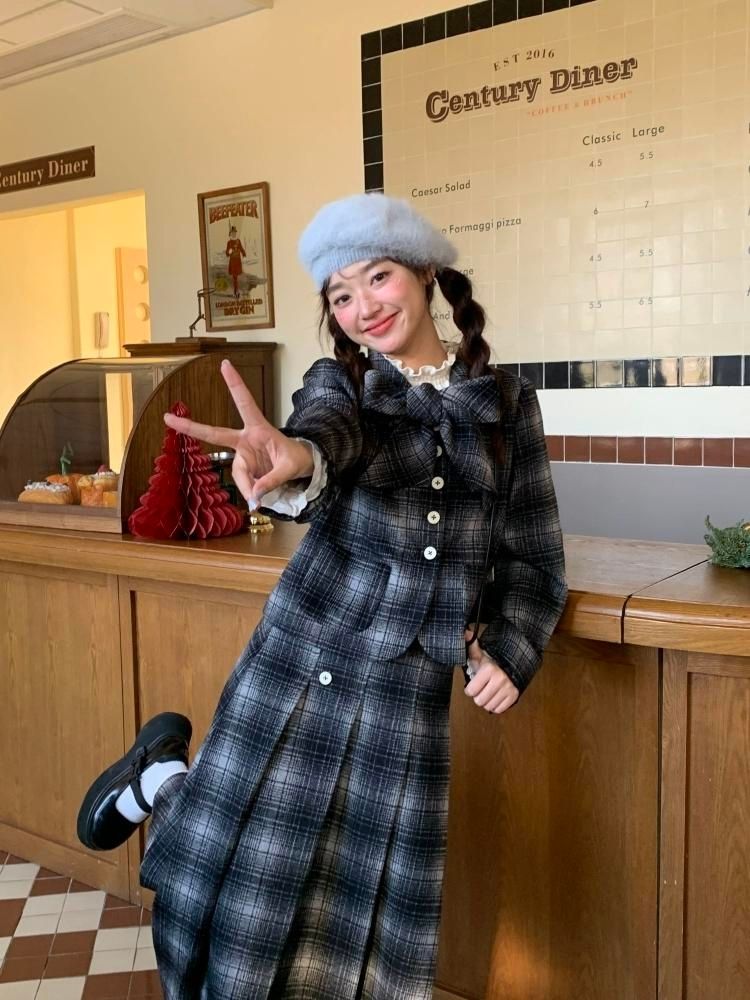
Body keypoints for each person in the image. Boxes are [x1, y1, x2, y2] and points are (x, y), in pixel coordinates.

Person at [76, 193, 568, 999]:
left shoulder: (509, 407)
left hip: (408, 698)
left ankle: (161, 779)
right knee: (236, 888)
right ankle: (162, 784)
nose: (362, 307)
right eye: (341, 296)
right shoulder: (339, 385)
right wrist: (292, 461)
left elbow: (534, 557)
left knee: (356, 923)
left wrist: (511, 647)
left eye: (377, 278)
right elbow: (321, 437)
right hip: (304, 664)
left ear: (425, 273)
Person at [226, 223, 246, 298]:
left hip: (238, 261)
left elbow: (241, 248)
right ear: (230, 233)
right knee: (235, 278)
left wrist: (244, 254)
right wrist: (229, 252)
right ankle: (236, 292)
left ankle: (236, 291)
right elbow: (227, 253)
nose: (234, 234)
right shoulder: (229, 242)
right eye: (232, 233)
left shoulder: (238, 241)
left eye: (235, 233)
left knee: (236, 278)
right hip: (232, 262)